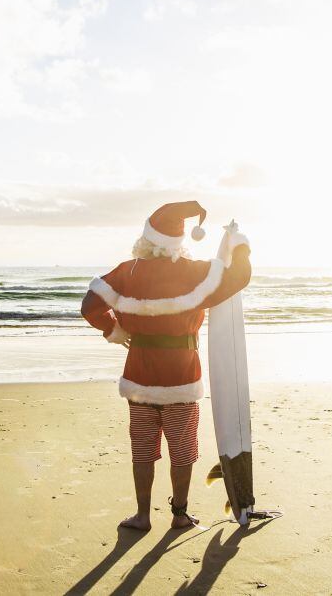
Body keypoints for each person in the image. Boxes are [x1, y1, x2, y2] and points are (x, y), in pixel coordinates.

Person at [80, 201, 251, 531]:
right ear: (179, 241)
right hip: (182, 377)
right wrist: (239, 242)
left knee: (143, 449)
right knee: (182, 449)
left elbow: (89, 305)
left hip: (139, 377)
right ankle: (179, 515)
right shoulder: (195, 272)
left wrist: (113, 329)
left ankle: (143, 516)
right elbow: (240, 276)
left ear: (144, 239)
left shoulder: (127, 271)